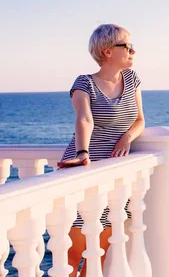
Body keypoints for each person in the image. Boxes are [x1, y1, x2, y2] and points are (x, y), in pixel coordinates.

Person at [57, 23, 145, 277]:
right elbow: (84, 119)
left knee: (101, 253)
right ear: (108, 51)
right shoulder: (84, 83)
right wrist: (83, 153)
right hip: (83, 173)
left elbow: (140, 120)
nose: (133, 51)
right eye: (127, 46)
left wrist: (127, 138)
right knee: (73, 255)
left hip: (112, 179)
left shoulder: (132, 79)